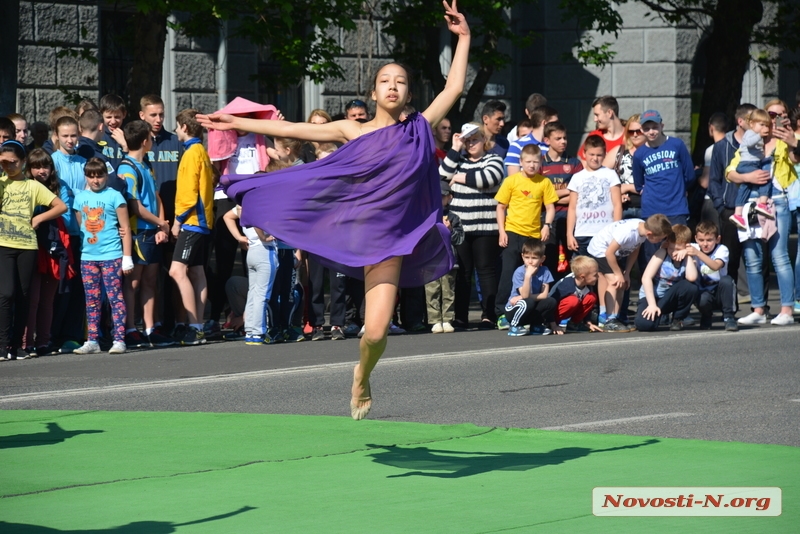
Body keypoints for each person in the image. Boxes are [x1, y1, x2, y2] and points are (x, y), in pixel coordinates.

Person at [198, 0, 471, 420]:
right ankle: (357, 363)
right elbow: (293, 129)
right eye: (385, 81)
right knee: (365, 318)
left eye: (400, 82)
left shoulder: (419, 126)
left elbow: (453, 89)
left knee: (376, 332)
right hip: (360, 230)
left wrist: (463, 37)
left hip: (394, 240)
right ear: (373, 92)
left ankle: (362, 373)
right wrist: (238, 124)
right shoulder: (351, 129)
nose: (393, 87)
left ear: (410, 93)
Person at [727, 98, 799, 327]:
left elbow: (795, 160)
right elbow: (731, 171)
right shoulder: (751, 141)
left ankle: (786, 309)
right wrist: (747, 177)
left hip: (777, 201)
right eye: (770, 114)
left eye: (779, 115)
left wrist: (792, 142)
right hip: (750, 204)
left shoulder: (785, 140)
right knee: (752, 258)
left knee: (779, 257)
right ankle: (758, 309)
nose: (773, 119)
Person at [208, 97, 277, 332]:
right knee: (224, 262)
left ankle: (251, 314)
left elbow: (277, 156)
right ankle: (214, 316)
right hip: (226, 198)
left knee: (255, 257)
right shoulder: (223, 137)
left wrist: (278, 128)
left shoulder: (258, 138)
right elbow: (214, 165)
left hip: (252, 195)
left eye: (244, 117)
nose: (239, 122)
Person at [0, 140, 67, 361]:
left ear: (23, 162)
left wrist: (38, 217)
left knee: (24, 295)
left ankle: (17, 345)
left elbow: (60, 206)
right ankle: (2, 344)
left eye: (14, 163)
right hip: (4, 245)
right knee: (6, 293)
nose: (9, 167)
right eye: (4, 163)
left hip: (27, 246)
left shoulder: (32, 185)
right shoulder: (1, 183)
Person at [440, 122, 505, 329]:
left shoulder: (493, 159)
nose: (470, 144)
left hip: (486, 227)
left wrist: (457, 178)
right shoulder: (458, 160)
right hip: (461, 228)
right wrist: (454, 147)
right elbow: (441, 177)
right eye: (467, 141)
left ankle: (489, 315)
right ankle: (460, 317)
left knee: (485, 271)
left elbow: (488, 178)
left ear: (483, 140)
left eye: (474, 139)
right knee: (463, 272)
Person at [71, 158, 133, 354]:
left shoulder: (115, 196)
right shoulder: (80, 198)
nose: (95, 180)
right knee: (92, 299)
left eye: (99, 175)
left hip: (112, 255)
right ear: (86, 176)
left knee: (115, 297)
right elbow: (81, 226)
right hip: (88, 256)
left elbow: (125, 227)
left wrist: (127, 257)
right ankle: (93, 340)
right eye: (91, 176)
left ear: (106, 176)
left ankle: (119, 339)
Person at [119, 120, 171, 348]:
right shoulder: (126, 168)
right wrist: (161, 222)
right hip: (138, 232)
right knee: (133, 283)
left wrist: (161, 227)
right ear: (144, 141)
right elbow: (135, 205)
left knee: (151, 280)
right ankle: (130, 328)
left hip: (152, 231)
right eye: (150, 138)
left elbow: (156, 196)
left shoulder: (146, 164)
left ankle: (151, 327)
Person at [494, 144, 558, 329]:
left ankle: (532, 311)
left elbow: (550, 207)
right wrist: (502, 231)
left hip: (533, 235)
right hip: (513, 232)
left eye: (535, 162)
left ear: (540, 163)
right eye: (528, 162)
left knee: (534, 273)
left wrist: (547, 225)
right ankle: (501, 313)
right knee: (508, 273)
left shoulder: (544, 182)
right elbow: (500, 207)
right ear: (521, 162)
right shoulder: (511, 181)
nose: (531, 165)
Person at [22, 149, 75, 357]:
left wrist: (40, 219)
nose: (41, 171)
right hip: (31, 246)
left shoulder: (56, 186)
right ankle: (26, 343)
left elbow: (61, 209)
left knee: (47, 300)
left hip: (54, 243)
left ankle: (43, 342)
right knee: (32, 299)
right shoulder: (26, 187)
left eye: (45, 166)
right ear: (29, 169)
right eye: (36, 166)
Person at [169, 109, 215, 346]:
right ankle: (198, 328)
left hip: (193, 222)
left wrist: (178, 222)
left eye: (177, 126)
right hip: (205, 222)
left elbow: (188, 194)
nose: (176, 130)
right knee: (197, 273)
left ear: (185, 128)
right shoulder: (202, 151)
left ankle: (194, 327)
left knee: (177, 271)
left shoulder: (190, 153)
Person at [587, 214, 672, 333]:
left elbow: (634, 250)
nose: (660, 241)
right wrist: (618, 274)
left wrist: (626, 273)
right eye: (659, 239)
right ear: (650, 234)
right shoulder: (627, 233)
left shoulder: (642, 229)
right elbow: (609, 253)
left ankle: (613, 317)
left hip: (615, 253)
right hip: (601, 250)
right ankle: (610, 320)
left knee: (623, 283)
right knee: (615, 282)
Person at [632, 109, 696, 264]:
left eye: (654, 127)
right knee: (653, 255)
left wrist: (680, 189)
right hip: (652, 210)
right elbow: (638, 183)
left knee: (680, 251)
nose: (651, 131)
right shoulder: (640, 154)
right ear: (641, 130)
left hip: (676, 207)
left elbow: (690, 175)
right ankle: (652, 287)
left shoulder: (676, 145)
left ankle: (680, 286)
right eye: (646, 128)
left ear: (662, 125)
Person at [708, 104, 759, 290]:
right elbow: (714, 179)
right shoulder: (722, 146)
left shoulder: (760, 144)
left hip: (754, 206)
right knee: (730, 260)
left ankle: (760, 306)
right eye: (753, 121)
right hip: (729, 209)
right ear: (741, 122)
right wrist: (720, 207)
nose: (758, 125)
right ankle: (728, 306)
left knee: (756, 258)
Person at [223, 204, 278, 345]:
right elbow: (256, 220)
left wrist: (239, 237)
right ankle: (259, 332)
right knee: (261, 294)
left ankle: (251, 331)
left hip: (252, 251)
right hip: (265, 251)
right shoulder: (261, 201)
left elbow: (227, 216)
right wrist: (263, 237)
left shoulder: (243, 204)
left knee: (253, 292)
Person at [635, 224, 698, 332]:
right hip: (652, 297)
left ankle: (677, 318)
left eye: (678, 249)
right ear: (667, 244)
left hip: (669, 298)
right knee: (644, 325)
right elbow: (646, 278)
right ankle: (658, 316)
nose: (673, 252)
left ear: (686, 246)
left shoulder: (688, 258)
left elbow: (691, 277)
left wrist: (687, 255)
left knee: (690, 287)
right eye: (671, 248)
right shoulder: (662, 253)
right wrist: (652, 305)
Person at [567, 134, 622, 257]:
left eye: (599, 155)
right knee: (582, 271)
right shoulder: (577, 177)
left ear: (605, 155)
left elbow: (617, 205)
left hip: (605, 232)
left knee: (604, 271)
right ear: (585, 153)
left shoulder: (611, 174)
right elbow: (572, 208)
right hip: (582, 234)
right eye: (591, 154)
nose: (595, 158)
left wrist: (616, 232)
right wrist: (569, 234)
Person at [540, 121, 582, 279]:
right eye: (558, 138)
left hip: (569, 217)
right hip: (547, 219)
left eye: (565, 138)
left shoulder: (574, 163)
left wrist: (551, 196)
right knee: (549, 257)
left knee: (572, 257)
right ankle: (551, 295)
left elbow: (578, 196)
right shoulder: (540, 164)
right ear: (547, 141)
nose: (563, 141)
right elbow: (539, 196)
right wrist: (567, 192)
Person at [425, 181, 463, 333]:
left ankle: (447, 319)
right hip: (431, 260)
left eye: (442, 197)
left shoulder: (454, 218)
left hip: (448, 260)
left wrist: (449, 230)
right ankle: (434, 320)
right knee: (432, 290)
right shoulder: (427, 216)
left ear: (449, 198)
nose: (439, 199)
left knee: (448, 290)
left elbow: (459, 239)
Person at [687, 220, 737, 331]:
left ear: (717, 239)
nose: (705, 244)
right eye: (701, 240)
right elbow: (675, 244)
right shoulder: (692, 247)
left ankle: (728, 317)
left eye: (709, 240)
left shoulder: (722, 249)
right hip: (704, 292)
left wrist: (697, 253)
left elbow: (715, 266)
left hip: (720, 291)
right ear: (696, 239)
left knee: (727, 280)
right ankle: (706, 316)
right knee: (702, 298)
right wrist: (680, 251)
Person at [729, 109, 775, 228]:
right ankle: (762, 203)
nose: (764, 128)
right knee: (764, 177)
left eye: (767, 125)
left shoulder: (758, 136)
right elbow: (749, 143)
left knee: (745, 187)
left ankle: (738, 213)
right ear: (752, 124)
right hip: (748, 164)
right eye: (761, 125)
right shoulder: (750, 133)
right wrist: (759, 135)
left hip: (751, 164)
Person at [503, 238, 557, 336]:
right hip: (514, 309)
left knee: (550, 301)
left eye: (534, 258)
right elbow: (524, 295)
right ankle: (514, 326)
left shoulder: (545, 271)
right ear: (522, 257)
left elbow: (544, 295)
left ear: (542, 259)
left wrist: (523, 297)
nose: (530, 261)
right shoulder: (519, 272)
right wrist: (527, 276)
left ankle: (535, 325)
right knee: (528, 302)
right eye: (527, 257)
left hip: (529, 307)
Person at [548, 255, 602, 333]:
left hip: (569, 310)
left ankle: (574, 324)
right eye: (595, 275)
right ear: (582, 277)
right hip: (551, 315)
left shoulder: (587, 284)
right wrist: (553, 324)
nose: (598, 277)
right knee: (572, 300)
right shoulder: (566, 285)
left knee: (591, 297)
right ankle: (550, 324)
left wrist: (588, 322)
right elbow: (550, 304)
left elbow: (587, 306)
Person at [608, 114, 646, 220]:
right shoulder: (619, 152)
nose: (634, 135)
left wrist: (626, 187)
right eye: (631, 131)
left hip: (648, 209)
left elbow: (658, 185)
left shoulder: (655, 154)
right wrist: (615, 194)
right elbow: (600, 179)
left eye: (638, 131)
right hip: (623, 209)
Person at [504, 105, 558, 175]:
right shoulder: (517, 145)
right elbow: (514, 180)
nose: (557, 126)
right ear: (544, 123)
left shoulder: (553, 146)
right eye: (555, 123)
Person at [579, 95, 625, 167]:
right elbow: (584, 165)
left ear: (609, 113)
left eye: (597, 115)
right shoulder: (594, 136)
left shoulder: (631, 136)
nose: (595, 119)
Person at [98, 94, 127, 170]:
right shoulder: (98, 136)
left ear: (124, 114)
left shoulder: (129, 136)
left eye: (117, 117)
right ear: (101, 115)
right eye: (109, 117)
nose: (113, 121)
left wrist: (125, 146)